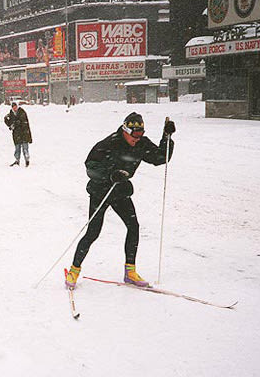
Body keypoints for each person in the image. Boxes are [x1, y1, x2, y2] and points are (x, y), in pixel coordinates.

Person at [65, 112, 176, 289]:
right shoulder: (109, 143)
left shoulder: (141, 144)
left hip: (120, 190)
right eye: (134, 135)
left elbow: (160, 158)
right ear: (125, 130)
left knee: (134, 226)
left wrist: (167, 137)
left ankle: (130, 272)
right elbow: (90, 166)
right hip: (101, 190)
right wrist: (109, 175)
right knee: (93, 232)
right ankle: (73, 271)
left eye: (140, 135)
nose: (137, 139)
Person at [4, 102, 32, 167]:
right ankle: (17, 160)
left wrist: (16, 124)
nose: (14, 108)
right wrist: (7, 121)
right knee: (17, 148)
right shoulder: (11, 114)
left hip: (24, 133)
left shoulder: (22, 112)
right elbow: (10, 123)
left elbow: (23, 122)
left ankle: (27, 160)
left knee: (25, 148)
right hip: (16, 134)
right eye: (13, 107)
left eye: (15, 106)